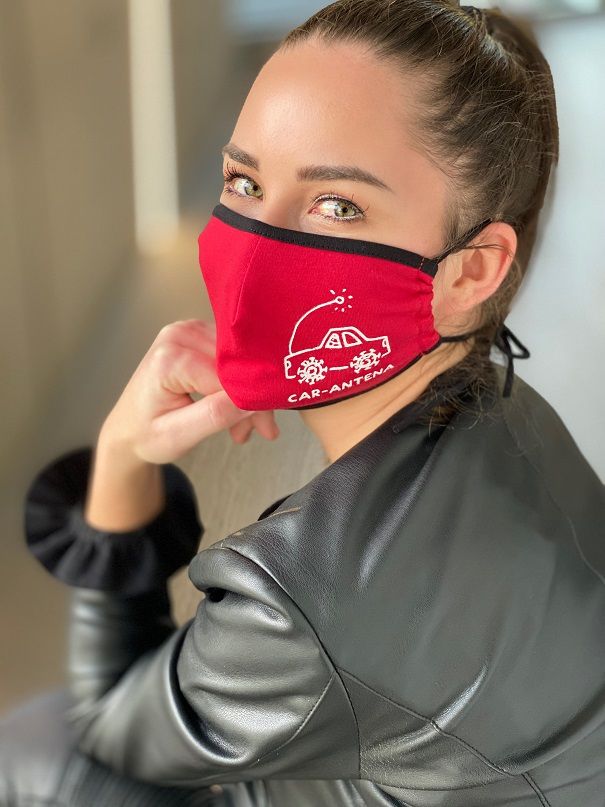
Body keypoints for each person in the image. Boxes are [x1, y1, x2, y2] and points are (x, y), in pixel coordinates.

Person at [1, 1, 604, 805]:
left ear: (470, 271)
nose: (255, 247)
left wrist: (120, 456)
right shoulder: (510, 407)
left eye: (337, 204)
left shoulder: (308, 591)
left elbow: (107, 723)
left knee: (34, 748)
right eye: (245, 182)